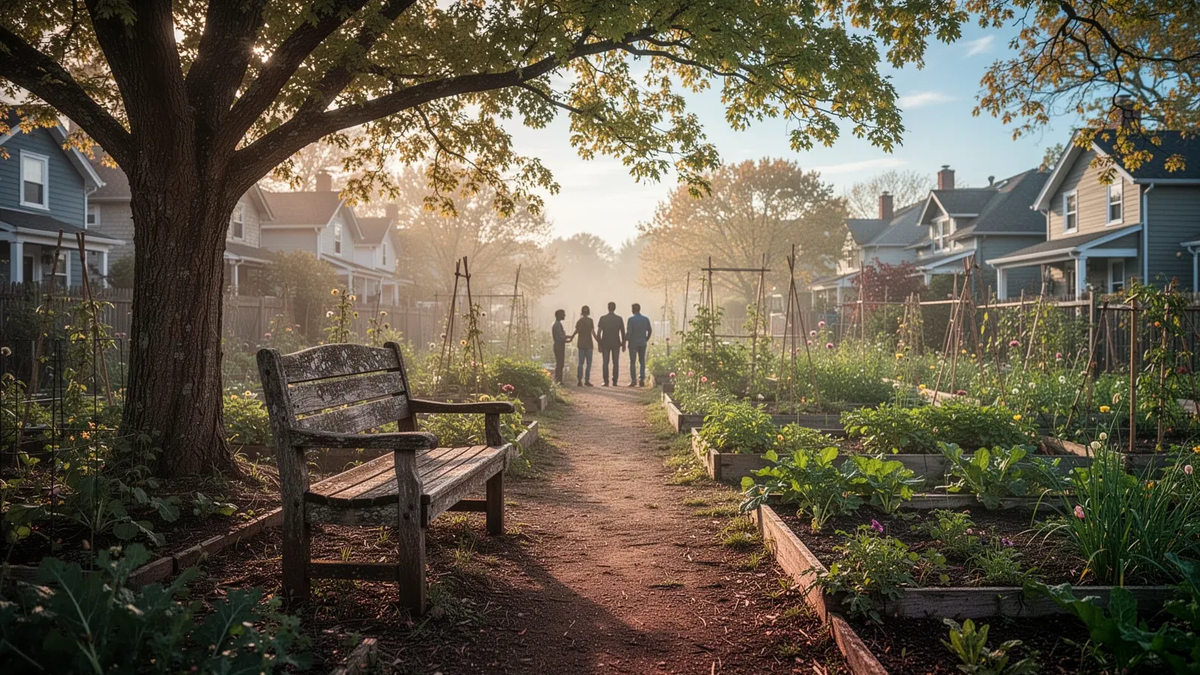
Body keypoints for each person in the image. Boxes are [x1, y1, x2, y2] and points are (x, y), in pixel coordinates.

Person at [596, 301, 626, 386]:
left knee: (605, 362)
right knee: (615, 362)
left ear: (607, 308)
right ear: (615, 308)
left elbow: (599, 333)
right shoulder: (619, 319)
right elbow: (623, 332)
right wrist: (623, 344)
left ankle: (606, 381)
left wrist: (599, 344)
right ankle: (615, 381)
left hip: (605, 343)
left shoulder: (603, 318)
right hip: (616, 343)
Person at [625, 303, 653, 387]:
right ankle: (642, 379)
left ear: (633, 310)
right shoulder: (645, 319)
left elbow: (629, 332)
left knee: (633, 361)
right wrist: (646, 339)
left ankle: (633, 380)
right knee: (642, 361)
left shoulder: (631, 320)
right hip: (642, 342)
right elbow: (649, 330)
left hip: (633, 343)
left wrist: (625, 340)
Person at [570, 305, 596, 386]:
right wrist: (599, 340)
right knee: (588, 364)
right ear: (588, 312)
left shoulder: (579, 321)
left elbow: (576, 331)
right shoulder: (590, 321)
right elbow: (593, 332)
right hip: (589, 344)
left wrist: (571, 337)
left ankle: (579, 380)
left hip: (581, 344)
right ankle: (587, 380)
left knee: (580, 363)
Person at [551, 309, 572, 385]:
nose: (564, 316)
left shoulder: (557, 324)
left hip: (558, 345)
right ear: (559, 315)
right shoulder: (557, 324)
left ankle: (558, 379)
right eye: (563, 314)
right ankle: (558, 380)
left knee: (560, 363)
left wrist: (567, 337)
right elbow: (559, 337)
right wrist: (566, 339)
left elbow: (560, 336)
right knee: (560, 363)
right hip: (558, 346)